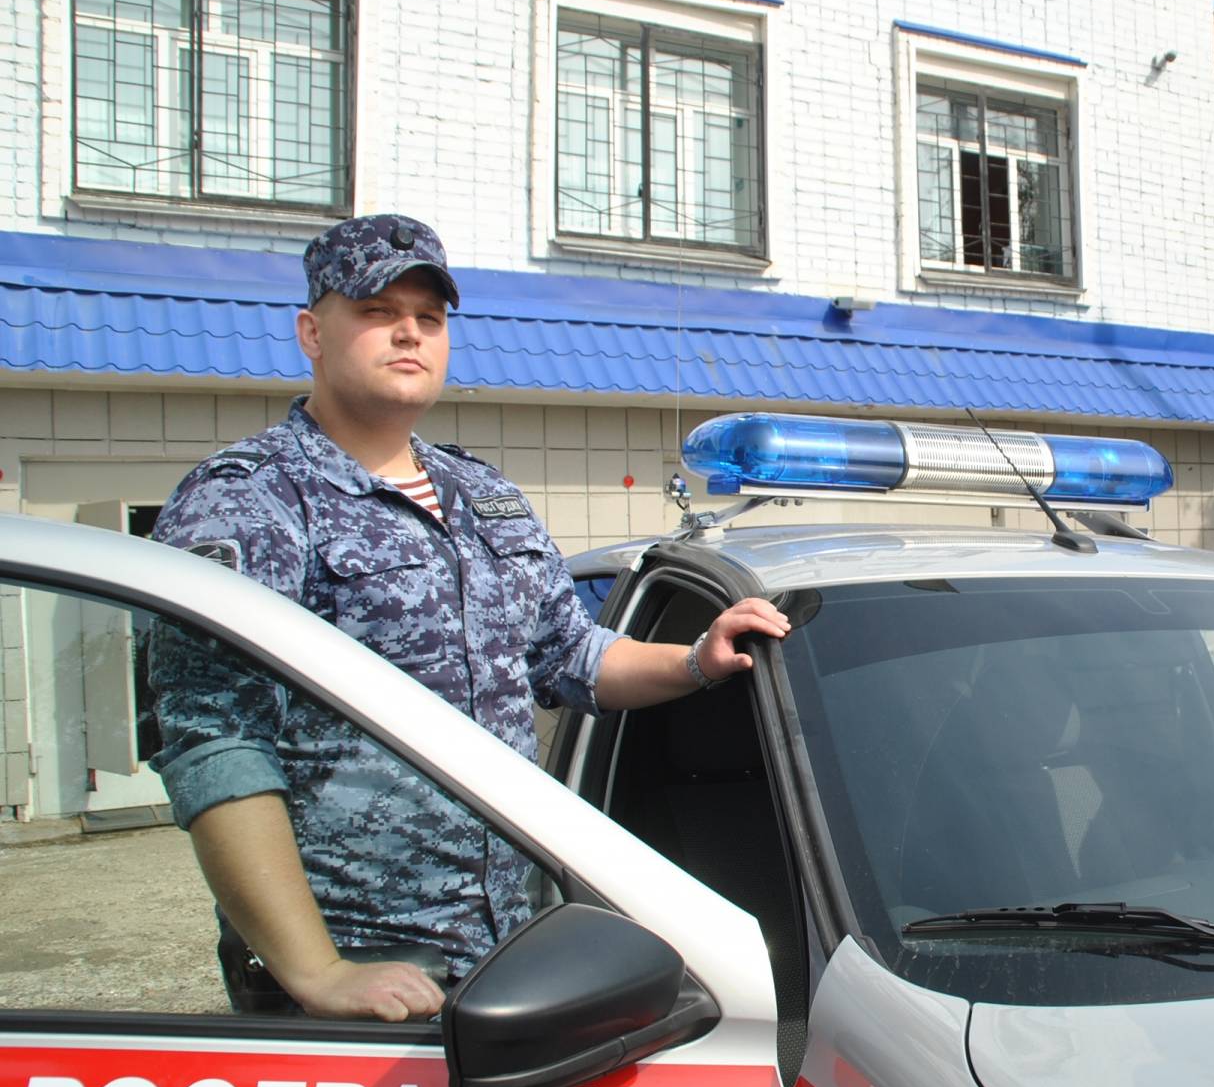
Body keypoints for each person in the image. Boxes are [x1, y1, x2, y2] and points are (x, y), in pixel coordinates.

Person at [148, 214, 789, 1023]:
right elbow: (220, 749)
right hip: (363, 974)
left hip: (512, 948)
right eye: (377, 311)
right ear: (312, 331)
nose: (408, 333)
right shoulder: (251, 500)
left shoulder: (484, 498)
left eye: (429, 317)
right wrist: (318, 972)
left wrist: (696, 658)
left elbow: (571, 656)